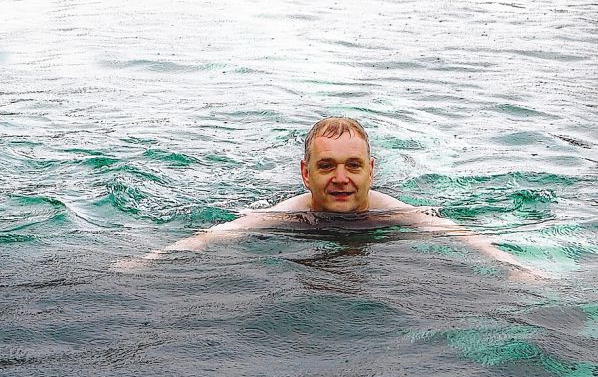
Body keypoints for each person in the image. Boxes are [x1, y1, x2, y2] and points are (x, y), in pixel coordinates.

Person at [140, 117, 546, 277]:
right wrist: (148, 262)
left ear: (371, 170)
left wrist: (514, 267)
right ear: (305, 173)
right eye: (326, 166)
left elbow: (460, 234)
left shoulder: (395, 212)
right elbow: (217, 235)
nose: (341, 178)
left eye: (353, 165)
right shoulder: (285, 215)